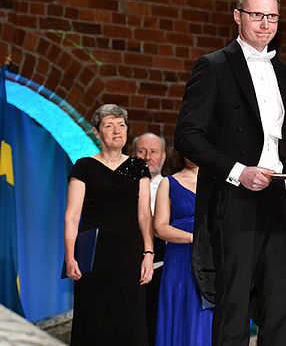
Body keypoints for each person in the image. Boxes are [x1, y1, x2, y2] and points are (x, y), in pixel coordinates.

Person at [174, 0, 286, 346]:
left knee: (281, 301)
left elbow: (282, 135)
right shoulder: (213, 66)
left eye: (272, 16)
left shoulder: (284, 71)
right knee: (233, 302)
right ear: (238, 16)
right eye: (257, 15)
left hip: (275, 195)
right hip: (233, 198)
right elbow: (187, 135)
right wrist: (238, 172)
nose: (265, 24)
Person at [63, 104, 154, 345]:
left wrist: (148, 253)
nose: (117, 131)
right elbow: (72, 215)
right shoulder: (84, 166)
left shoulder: (138, 166)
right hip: (93, 255)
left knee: (130, 320)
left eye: (121, 125)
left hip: (128, 252)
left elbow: (145, 214)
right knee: (94, 319)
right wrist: (70, 256)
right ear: (96, 132)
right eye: (109, 126)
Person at [154, 149, 213, 345]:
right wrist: (195, 238)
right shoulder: (168, 183)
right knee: (180, 312)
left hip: (211, 258)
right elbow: (160, 227)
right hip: (180, 259)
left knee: (207, 318)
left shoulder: (218, 183)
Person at [132, 131, 167, 345]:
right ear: (132, 154)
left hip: (161, 268)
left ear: (163, 156)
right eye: (141, 151)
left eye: (153, 152)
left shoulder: (172, 187)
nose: (147, 157)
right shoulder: (121, 188)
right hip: (126, 265)